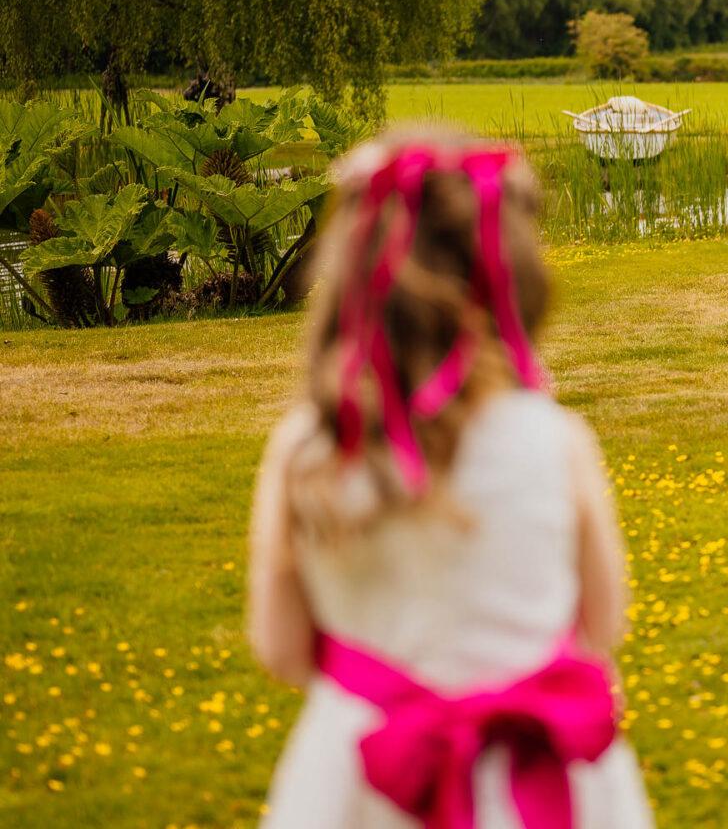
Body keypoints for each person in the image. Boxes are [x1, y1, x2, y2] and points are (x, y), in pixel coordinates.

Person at [247, 130, 653, 829]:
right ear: (513, 282)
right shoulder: (554, 442)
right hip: (539, 776)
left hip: (364, 774)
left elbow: (283, 649)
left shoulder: (307, 452)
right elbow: (603, 619)